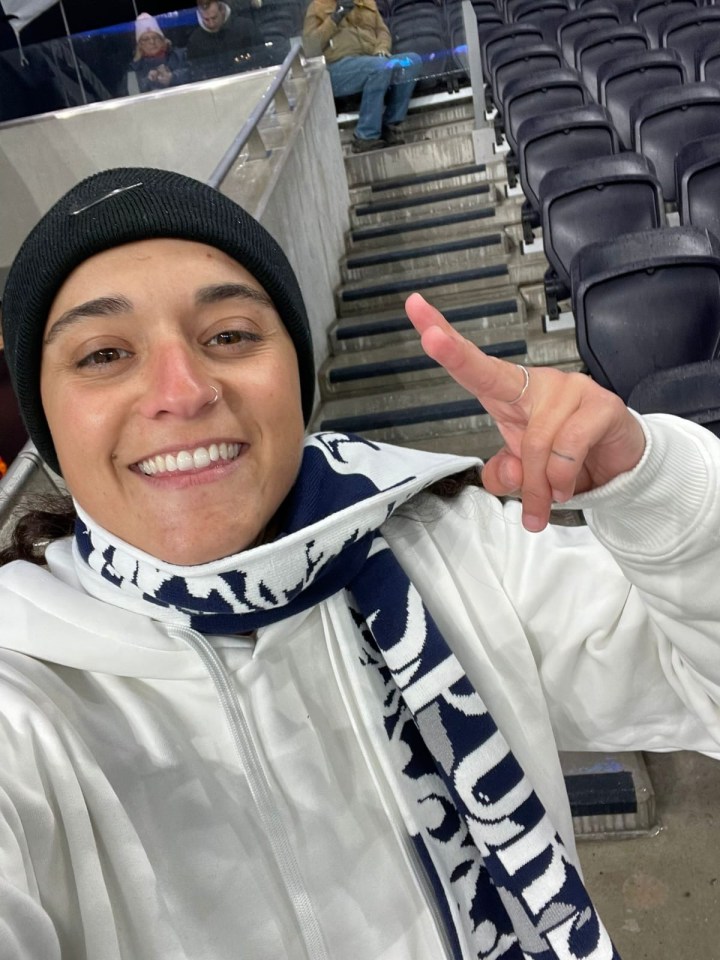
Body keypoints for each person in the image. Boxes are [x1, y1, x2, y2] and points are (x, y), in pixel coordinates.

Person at [1, 166, 720, 960]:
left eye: (230, 335)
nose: (184, 390)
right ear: (46, 424)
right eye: (104, 354)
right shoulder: (23, 695)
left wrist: (656, 491)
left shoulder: (451, 543)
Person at [303, 0, 423, 152]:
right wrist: (336, 16)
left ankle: (388, 125)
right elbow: (310, 48)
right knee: (378, 68)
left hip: (372, 61)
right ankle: (365, 137)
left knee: (411, 61)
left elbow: (382, 31)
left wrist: (381, 49)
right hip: (337, 69)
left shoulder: (367, 2)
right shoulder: (318, 6)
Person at [186, 0, 269, 82]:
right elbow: (195, 73)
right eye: (206, 19)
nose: (211, 24)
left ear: (222, 11)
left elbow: (262, 57)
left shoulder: (245, 28)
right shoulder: (195, 41)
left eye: (214, 18)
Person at [130, 12, 190, 94]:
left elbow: (193, 73)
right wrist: (148, 81)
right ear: (140, 45)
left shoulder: (179, 55)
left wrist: (172, 77)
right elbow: (129, 92)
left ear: (162, 39)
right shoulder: (134, 68)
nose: (152, 42)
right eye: (146, 39)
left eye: (155, 37)